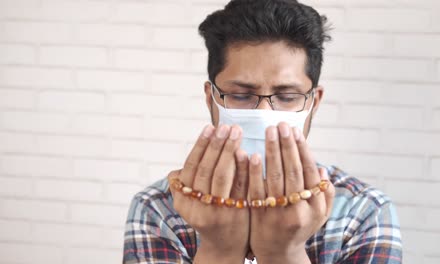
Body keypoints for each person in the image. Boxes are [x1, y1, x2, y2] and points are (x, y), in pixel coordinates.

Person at [123, 0, 403, 263]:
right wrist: (219, 250)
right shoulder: (159, 209)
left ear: (313, 102)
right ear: (211, 99)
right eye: (241, 95)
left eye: (287, 96)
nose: (265, 116)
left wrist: (284, 253)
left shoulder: (362, 212)